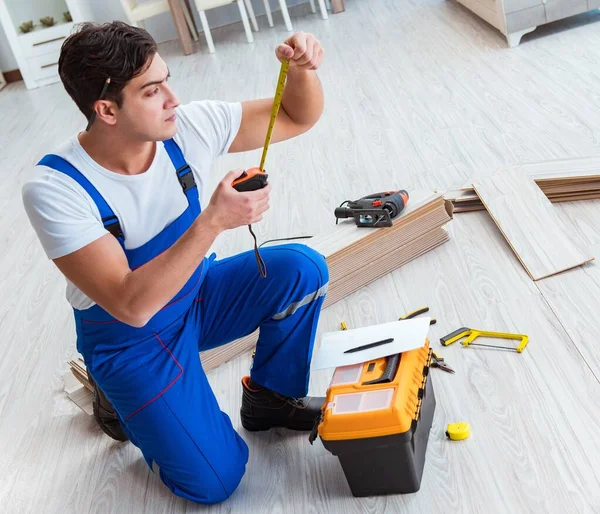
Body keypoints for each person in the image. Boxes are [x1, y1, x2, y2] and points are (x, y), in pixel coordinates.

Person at [21, 21, 329, 505]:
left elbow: (295, 115)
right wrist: (212, 221)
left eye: (166, 80)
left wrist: (302, 71)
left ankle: (270, 399)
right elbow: (131, 304)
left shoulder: (184, 128)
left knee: (301, 270)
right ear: (106, 110)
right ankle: (116, 400)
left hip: (195, 296)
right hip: (130, 341)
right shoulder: (56, 188)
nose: (173, 98)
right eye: (152, 90)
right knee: (216, 481)